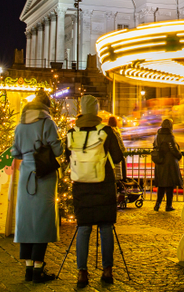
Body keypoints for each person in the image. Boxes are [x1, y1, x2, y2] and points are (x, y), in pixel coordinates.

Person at [67, 95, 125, 288]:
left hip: (81, 185)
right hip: (104, 184)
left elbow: (66, 155)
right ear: (96, 110)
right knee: (106, 227)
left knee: (83, 228)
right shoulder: (106, 131)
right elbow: (117, 157)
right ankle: (107, 271)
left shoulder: (72, 132)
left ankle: (82, 273)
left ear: (82, 110)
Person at [10, 90, 64, 283]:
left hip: (25, 175)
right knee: (42, 221)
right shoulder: (47, 123)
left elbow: (15, 152)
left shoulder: (19, 126)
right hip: (44, 174)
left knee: (26, 220)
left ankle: (28, 269)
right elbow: (58, 149)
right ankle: (38, 270)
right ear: (46, 107)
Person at [152, 118, 183, 211]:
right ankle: (168, 206)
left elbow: (154, 146)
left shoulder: (157, 135)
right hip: (169, 164)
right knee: (170, 185)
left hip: (160, 163)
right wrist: (179, 155)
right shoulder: (170, 136)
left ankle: (157, 204)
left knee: (161, 185)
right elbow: (173, 149)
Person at [107, 116, 127, 180]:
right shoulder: (116, 132)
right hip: (116, 159)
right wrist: (125, 152)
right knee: (118, 176)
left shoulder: (106, 132)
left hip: (109, 159)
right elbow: (121, 146)